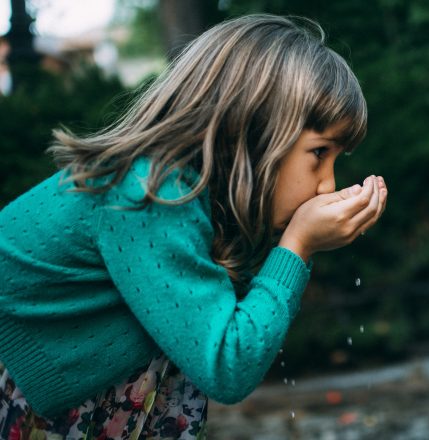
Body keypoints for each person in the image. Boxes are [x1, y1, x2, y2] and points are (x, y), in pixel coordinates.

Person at [0, 14, 387, 439]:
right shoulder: (151, 194)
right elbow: (227, 364)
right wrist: (297, 246)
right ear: (254, 128)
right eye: (319, 153)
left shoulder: (202, 202)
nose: (327, 184)